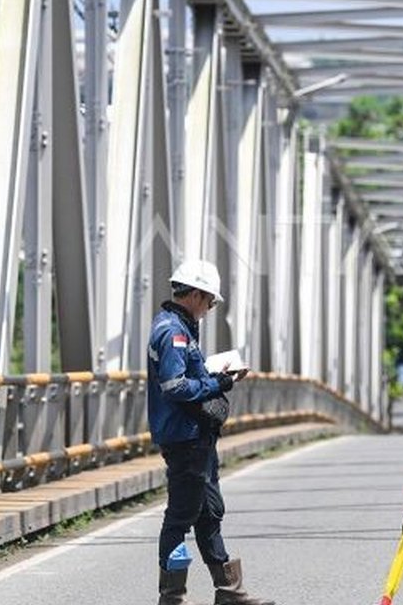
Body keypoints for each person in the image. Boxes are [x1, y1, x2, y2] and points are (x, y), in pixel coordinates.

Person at [149, 259, 271, 605]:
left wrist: (214, 376)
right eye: (211, 301)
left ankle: (229, 591)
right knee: (180, 517)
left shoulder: (182, 328)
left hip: (197, 436)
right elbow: (174, 386)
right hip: (184, 436)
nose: (210, 308)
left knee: (209, 512)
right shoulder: (172, 332)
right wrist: (217, 382)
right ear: (197, 295)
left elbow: (186, 378)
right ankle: (171, 596)